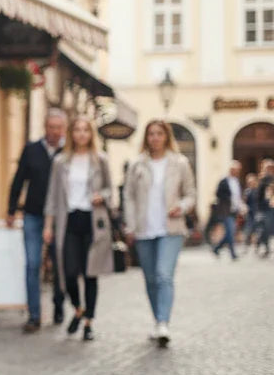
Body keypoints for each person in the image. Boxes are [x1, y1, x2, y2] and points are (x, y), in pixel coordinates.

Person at [122, 120, 196, 347]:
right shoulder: (137, 165)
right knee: (151, 279)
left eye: (159, 133)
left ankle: (163, 322)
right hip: (144, 229)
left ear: (166, 136)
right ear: (146, 138)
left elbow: (190, 194)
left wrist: (182, 207)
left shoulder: (180, 163)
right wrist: (130, 225)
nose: (155, 138)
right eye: (151, 134)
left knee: (164, 275)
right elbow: (129, 197)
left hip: (171, 229)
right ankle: (157, 320)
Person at [44, 117, 113, 342]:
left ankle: (89, 323)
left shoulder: (100, 160)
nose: (82, 134)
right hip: (69, 221)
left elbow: (110, 191)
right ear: (71, 134)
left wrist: (100, 196)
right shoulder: (61, 161)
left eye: (86, 130)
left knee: (90, 273)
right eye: (77, 130)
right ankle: (78, 308)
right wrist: (48, 225)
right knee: (69, 273)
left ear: (91, 134)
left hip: (93, 221)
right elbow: (52, 196)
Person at [7, 108, 68, 333]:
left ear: (64, 130)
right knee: (32, 264)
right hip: (33, 215)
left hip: (60, 217)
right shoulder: (31, 150)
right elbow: (18, 180)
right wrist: (11, 209)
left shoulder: (68, 152)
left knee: (59, 264)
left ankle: (59, 305)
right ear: (45, 128)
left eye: (58, 128)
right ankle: (34, 315)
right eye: (51, 127)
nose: (54, 132)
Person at [211, 160, 244, 260]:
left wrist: (241, 207)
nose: (237, 172)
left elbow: (238, 197)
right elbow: (217, 194)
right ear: (231, 170)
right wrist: (227, 199)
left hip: (234, 211)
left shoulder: (237, 182)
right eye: (236, 170)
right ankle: (233, 253)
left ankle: (216, 248)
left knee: (230, 231)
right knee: (230, 231)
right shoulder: (224, 181)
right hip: (225, 210)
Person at [255, 159, 274, 258]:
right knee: (265, 228)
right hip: (264, 208)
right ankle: (263, 246)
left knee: (268, 228)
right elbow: (258, 196)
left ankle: (263, 246)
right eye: (268, 167)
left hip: (271, 208)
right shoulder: (263, 179)